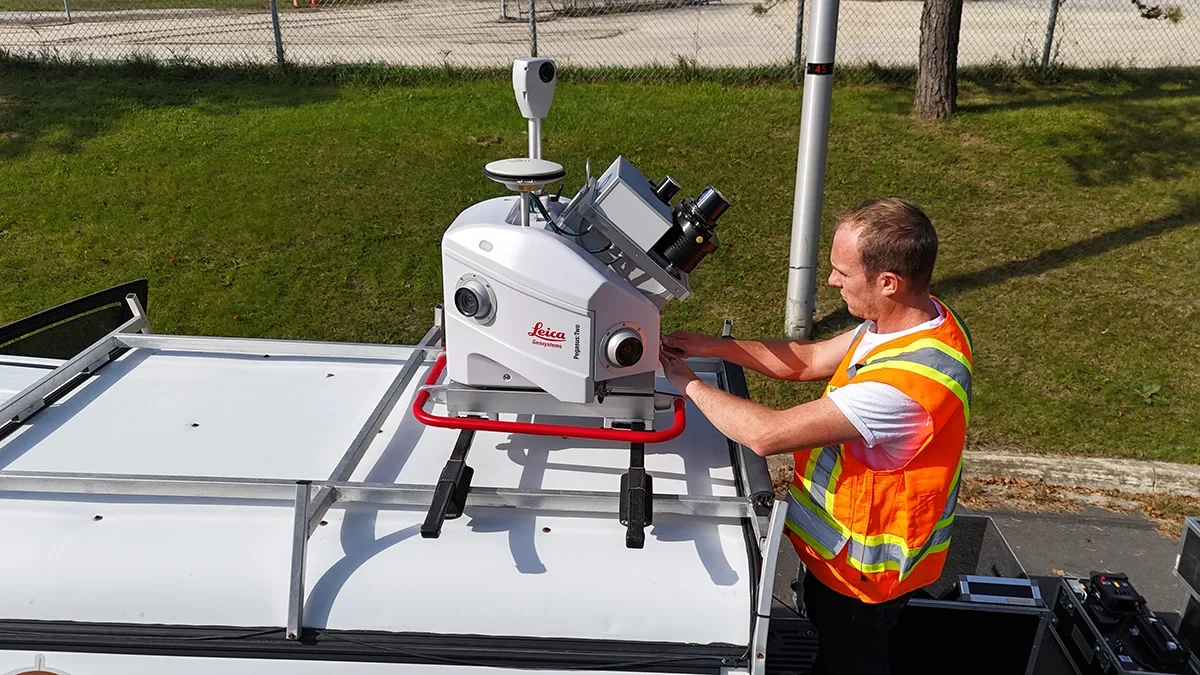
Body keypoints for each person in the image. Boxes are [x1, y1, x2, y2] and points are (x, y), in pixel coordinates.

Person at [658, 197, 973, 675]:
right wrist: (713, 347)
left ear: (888, 282)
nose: (831, 281)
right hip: (841, 566)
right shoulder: (914, 321)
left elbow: (766, 434)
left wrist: (687, 384)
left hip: (860, 584)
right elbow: (807, 360)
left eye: (843, 272)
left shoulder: (901, 389)